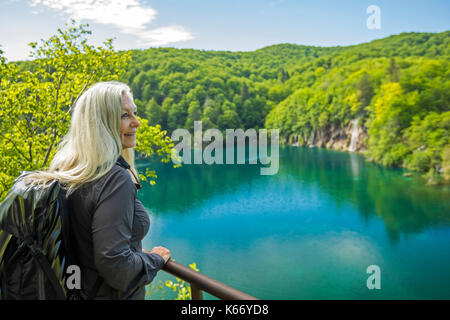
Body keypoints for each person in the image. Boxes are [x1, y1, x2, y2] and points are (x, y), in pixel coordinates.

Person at [23, 81, 171, 299]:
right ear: (101, 123)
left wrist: (136, 255)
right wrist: (156, 259)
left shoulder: (67, 169)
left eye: (134, 113)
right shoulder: (114, 179)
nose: (136, 122)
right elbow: (115, 266)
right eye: (124, 116)